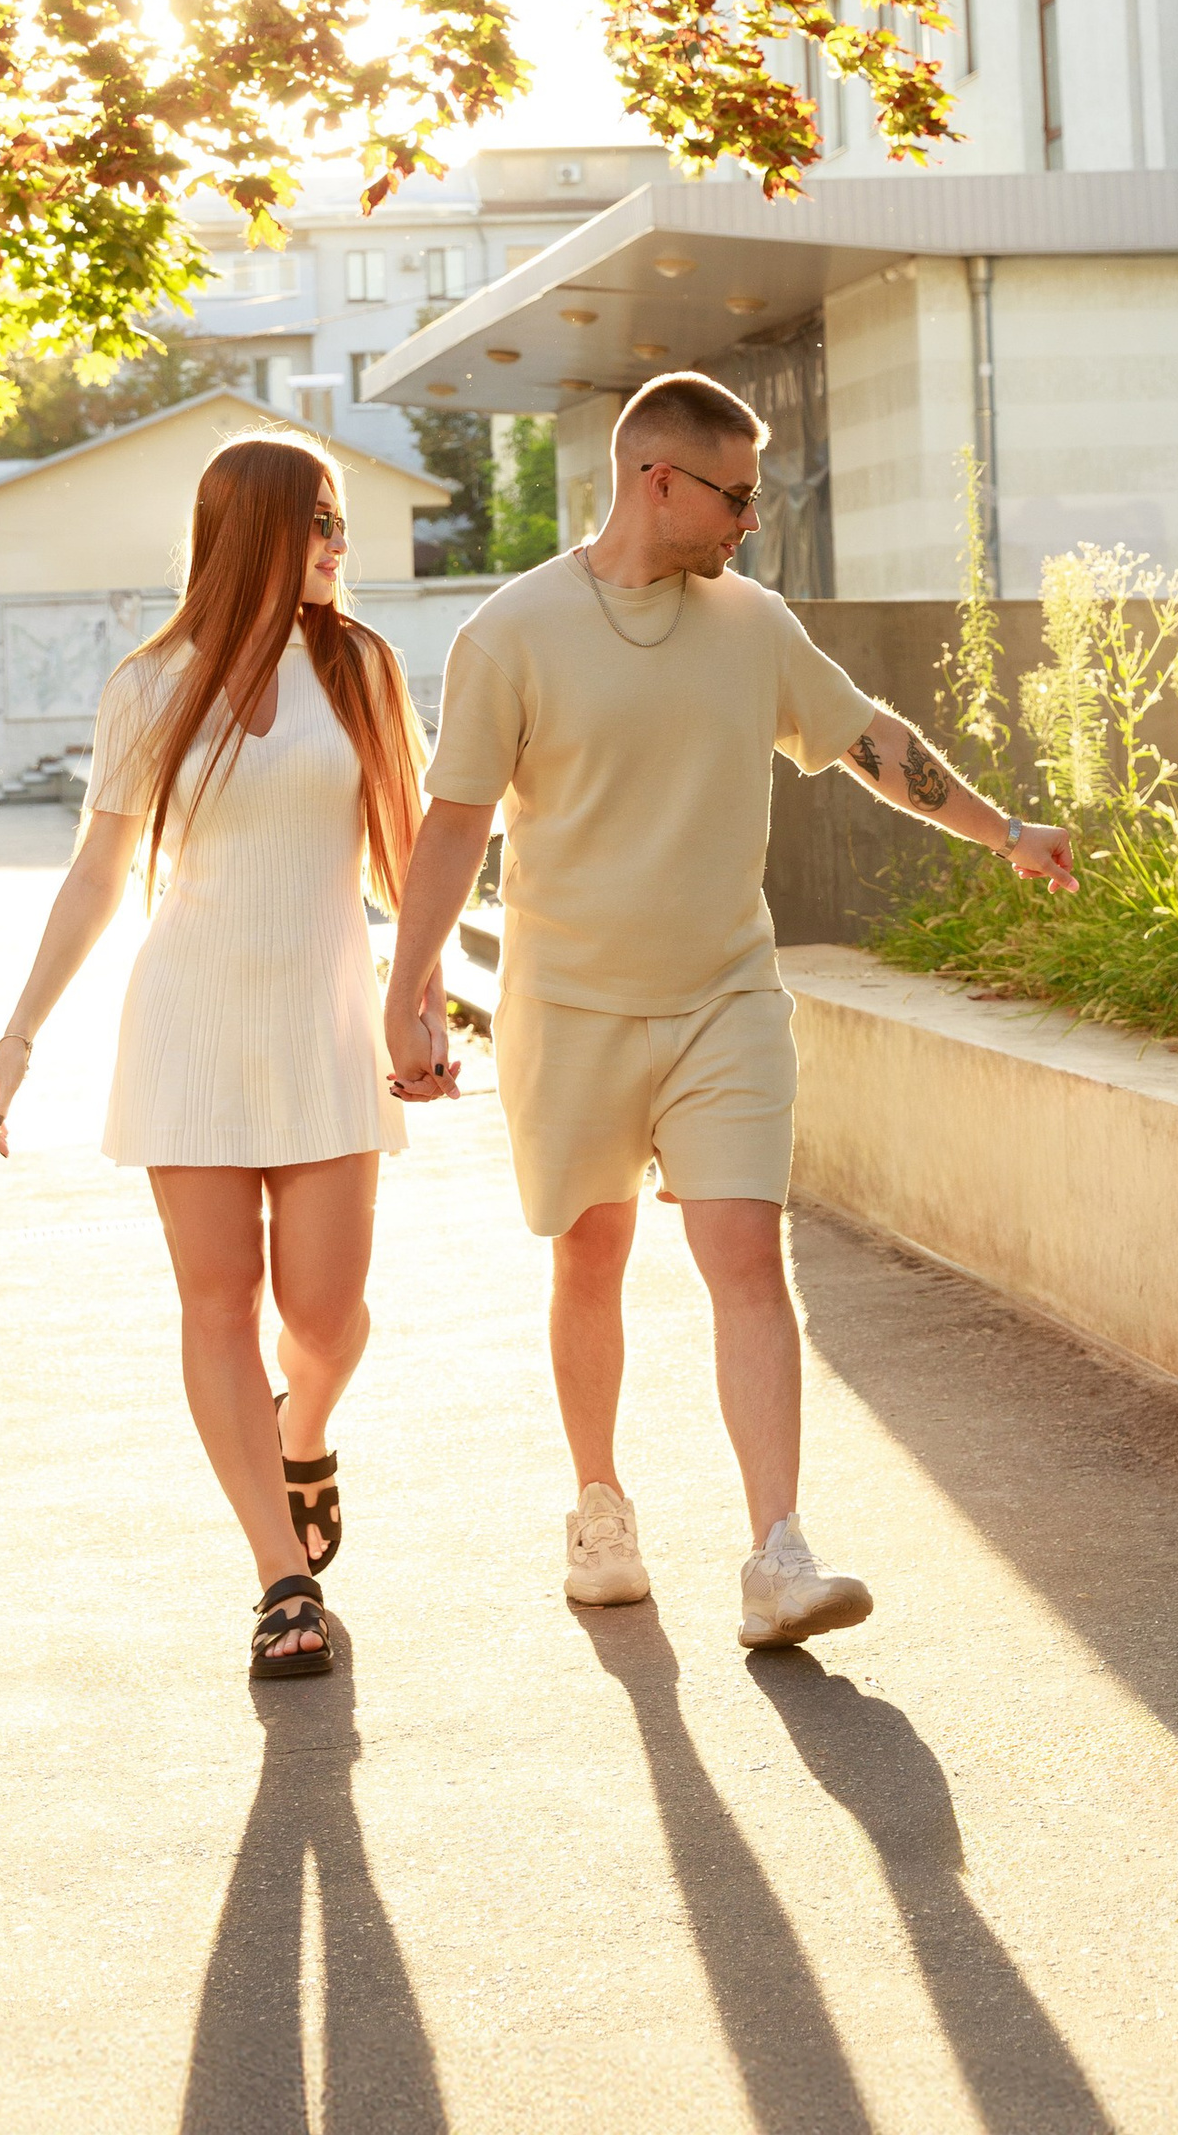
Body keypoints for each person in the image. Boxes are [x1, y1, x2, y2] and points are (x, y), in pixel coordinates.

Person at [382, 370, 1072, 1649]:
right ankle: (599, 1508)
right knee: (589, 1256)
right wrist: (408, 990)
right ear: (660, 481)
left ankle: (778, 1553)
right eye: (736, 494)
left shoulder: (751, 626)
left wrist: (1005, 832)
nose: (750, 519)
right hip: (571, 1005)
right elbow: (456, 820)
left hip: (723, 999)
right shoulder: (511, 631)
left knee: (746, 1258)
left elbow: (876, 745)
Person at [0, 432, 451, 1681]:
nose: (341, 547)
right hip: (187, 1022)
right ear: (253, 532)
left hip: (325, 1027)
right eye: (322, 524)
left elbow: (411, 859)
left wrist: (423, 1006)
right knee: (216, 1301)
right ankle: (278, 1581)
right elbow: (98, 869)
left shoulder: (360, 670)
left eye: (342, 525)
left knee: (325, 1314)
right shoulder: (151, 683)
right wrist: (19, 1035)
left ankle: (306, 1430)